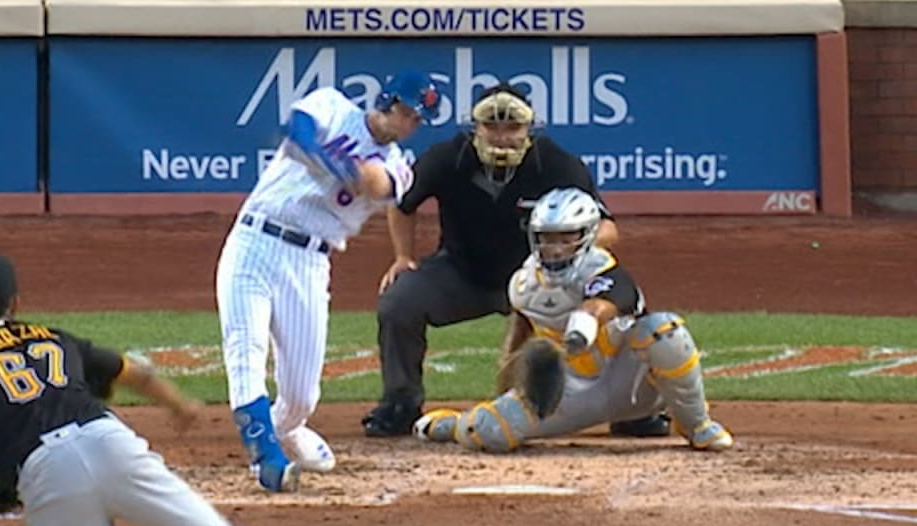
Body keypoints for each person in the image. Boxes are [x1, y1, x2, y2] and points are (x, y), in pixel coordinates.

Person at [0, 253, 314, 526]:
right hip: (111, 443)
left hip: (48, 474)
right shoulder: (53, 336)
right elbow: (134, 373)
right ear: (16, 303)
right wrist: (180, 405)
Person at [361, 82, 666, 439]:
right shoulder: (449, 157)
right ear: (475, 127)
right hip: (462, 272)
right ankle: (400, 404)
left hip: (539, 278)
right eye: (492, 126)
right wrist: (402, 257)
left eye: (512, 127)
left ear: (530, 128)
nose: (502, 137)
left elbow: (607, 229)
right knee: (400, 301)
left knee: (617, 299)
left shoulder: (555, 163)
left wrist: (562, 258)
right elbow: (403, 203)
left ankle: (633, 408)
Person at [215, 70, 441, 492]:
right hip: (253, 240)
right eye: (409, 112)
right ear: (389, 101)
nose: (411, 124)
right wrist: (319, 152)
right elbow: (297, 127)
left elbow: (371, 183)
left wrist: (332, 163)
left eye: (418, 119)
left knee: (302, 396)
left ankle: (287, 427)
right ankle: (265, 454)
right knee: (245, 349)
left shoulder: (399, 167)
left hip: (309, 263)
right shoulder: (332, 105)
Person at [411, 187, 734, 454]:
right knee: (491, 432)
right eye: (547, 238)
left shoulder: (604, 268)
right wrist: (508, 395)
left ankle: (696, 424)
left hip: (632, 381)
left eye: (565, 238)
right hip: (570, 391)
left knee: (664, 332)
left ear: (587, 234)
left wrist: (580, 327)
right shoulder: (524, 284)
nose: (555, 248)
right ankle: (455, 424)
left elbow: (606, 301)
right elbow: (519, 337)